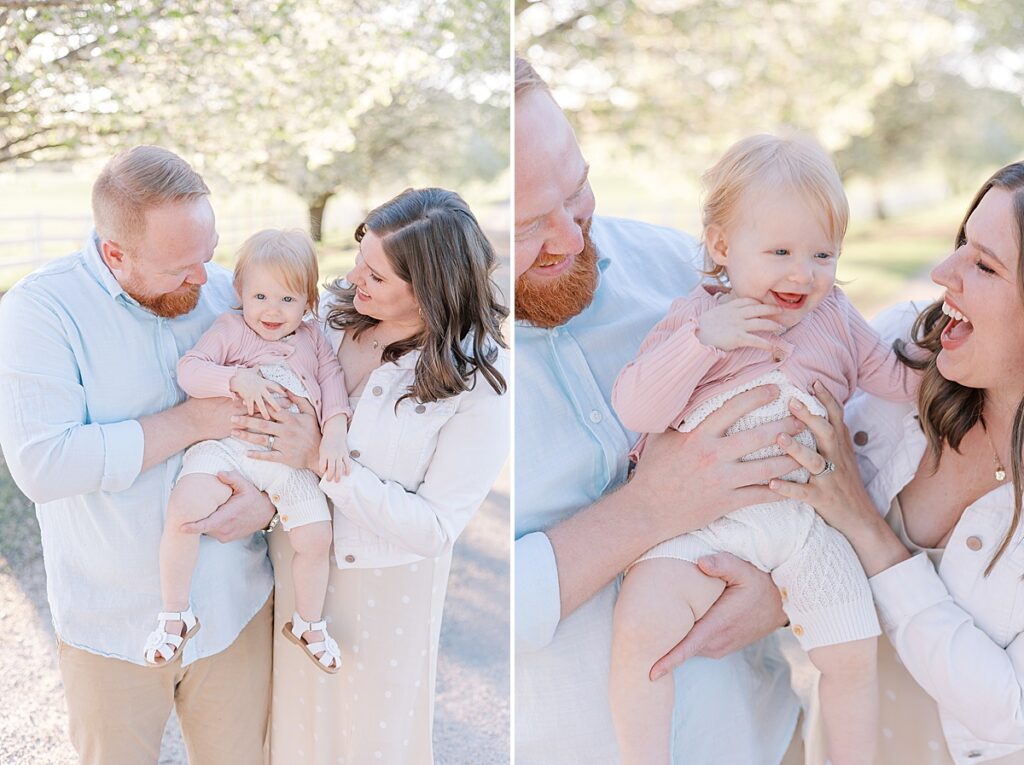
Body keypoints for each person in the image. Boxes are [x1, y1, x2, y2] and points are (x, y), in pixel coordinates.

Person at [513, 57, 806, 764]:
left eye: (577, 190)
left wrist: (785, 591)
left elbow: (823, 434)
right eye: (528, 226)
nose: (571, 236)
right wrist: (652, 508)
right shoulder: (441, 361)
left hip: (761, 740)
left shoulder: (687, 275)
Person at [608, 134, 918, 765]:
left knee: (854, 655)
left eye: (822, 253)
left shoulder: (834, 316)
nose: (803, 273)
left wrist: (947, 356)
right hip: (704, 526)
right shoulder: (697, 318)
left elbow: (896, 381)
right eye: (779, 251)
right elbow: (637, 409)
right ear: (723, 247)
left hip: (805, 526)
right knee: (642, 622)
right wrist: (703, 342)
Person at [0, 145, 277, 765]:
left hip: (236, 606)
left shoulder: (229, 292)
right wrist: (192, 420)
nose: (204, 280)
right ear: (114, 253)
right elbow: (44, 464)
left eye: (206, 256)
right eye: (180, 267)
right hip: (113, 625)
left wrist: (269, 503)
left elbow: (288, 417)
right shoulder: (41, 311)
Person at [218, 187, 509, 763]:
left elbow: (434, 527)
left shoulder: (476, 381)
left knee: (370, 742)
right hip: (290, 566)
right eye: (359, 259)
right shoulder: (324, 319)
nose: (353, 279)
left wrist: (322, 464)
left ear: (429, 289)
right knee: (292, 738)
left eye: (375, 276)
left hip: (382, 588)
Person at [771, 162, 1024, 764]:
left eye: (984, 265)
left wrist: (866, 526)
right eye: (962, 244)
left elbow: (1010, 712)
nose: (943, 273)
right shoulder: (898, 353)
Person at [147, 229, 353, 673]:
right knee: (184, 512)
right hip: (228, 448)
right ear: (239, 292)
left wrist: (334, 433)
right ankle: (174, 613)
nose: (272, 311)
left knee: (317, 539)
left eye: (288, 299)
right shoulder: (231, 329)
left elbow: (334, 385)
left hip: (288, 459)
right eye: (260, 296)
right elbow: (191, 371)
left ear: (308, 302)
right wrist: (236, 380)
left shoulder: (313, 340)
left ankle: (309, 624)